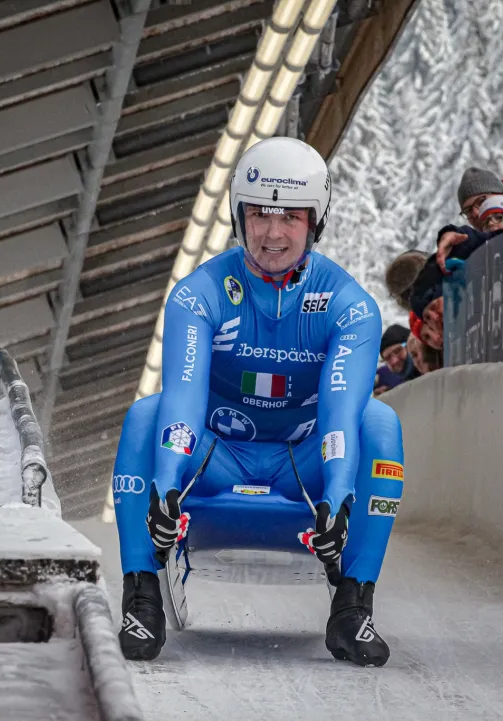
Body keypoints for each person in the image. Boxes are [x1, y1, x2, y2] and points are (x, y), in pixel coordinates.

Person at [112, 137, 402, 668]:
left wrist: (338, 493)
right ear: (238, 215)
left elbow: (342, 411)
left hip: (304, 461)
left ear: (315, 222)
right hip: (217, 456)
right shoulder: (198, 294)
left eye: (289, 217)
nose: (272, 233)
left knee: (381, 425)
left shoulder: (349, 306)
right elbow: (183, 396)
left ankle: (354, 605)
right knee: (144, 416)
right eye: (260, 215)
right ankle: (140, 595)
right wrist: (167, 482)